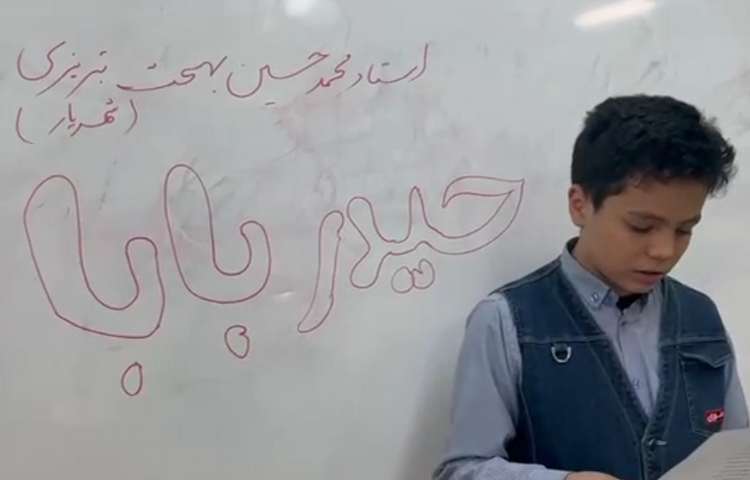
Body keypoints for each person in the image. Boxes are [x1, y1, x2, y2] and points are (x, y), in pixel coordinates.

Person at [433, 95, 748, 480]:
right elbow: (462, 470)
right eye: (641, 227)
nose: (664, 251)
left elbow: (737, 452)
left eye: (685, 230)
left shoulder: (701, 318)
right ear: (579, 205)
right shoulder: (506, 321)